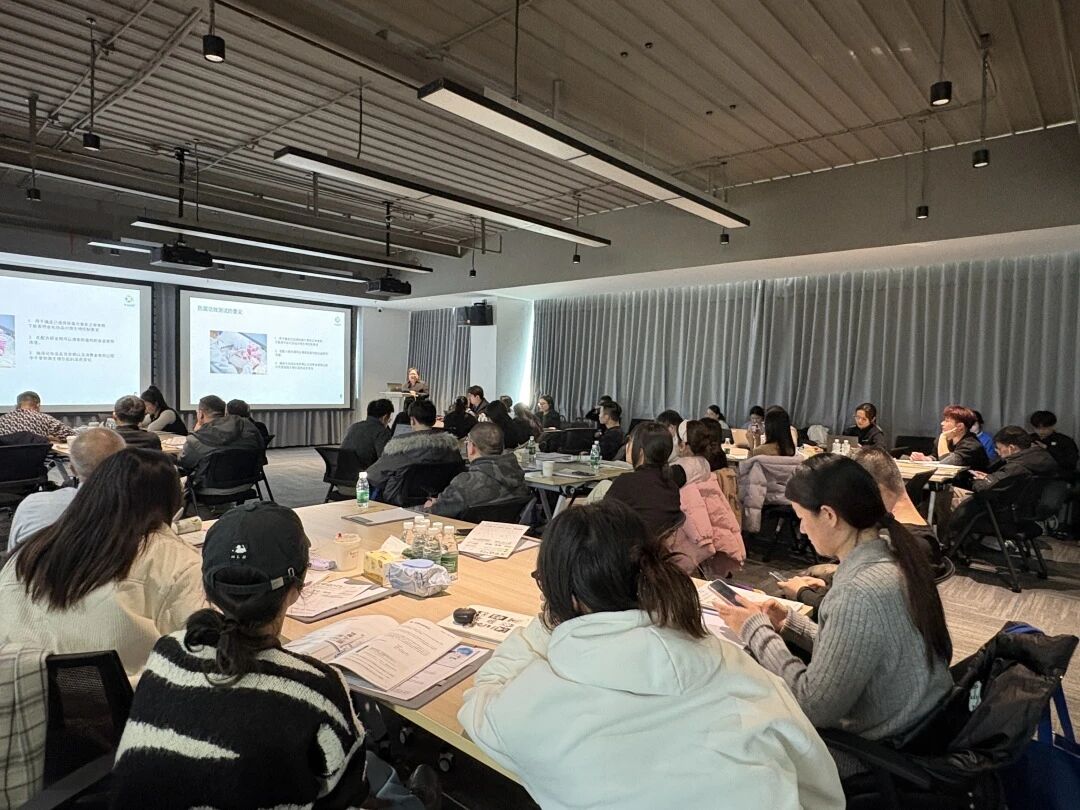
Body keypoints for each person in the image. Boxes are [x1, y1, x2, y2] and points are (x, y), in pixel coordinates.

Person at [458, 501, 845, 810]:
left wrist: (547, 623)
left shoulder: (533, 703)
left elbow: (479, 702)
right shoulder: (737, 666)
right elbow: (821, 790)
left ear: (568, 598)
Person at [110, 502, 433, 810]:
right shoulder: (318, 688)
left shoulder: (168, 651)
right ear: (297, 588)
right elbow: (348, 798)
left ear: (207, 586)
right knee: (385, 784)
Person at [715, 455, 953, 777]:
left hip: (876, 753)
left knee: (734, 730)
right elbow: (855, 650)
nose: (801, 529)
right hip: (915, 729)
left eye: (802, 518)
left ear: (828, 515)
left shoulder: (858, 590)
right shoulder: (890, 558)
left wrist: (756, 631)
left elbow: (813, 706)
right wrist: (790, 624)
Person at [0, 449, 204, 678]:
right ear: (172, 501)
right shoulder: (174, 561)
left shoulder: (31, 550)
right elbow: (203, 650)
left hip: (22, 692)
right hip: (129, 696)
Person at [780, 446, 947, 615]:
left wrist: (803, 593)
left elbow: (857, 606)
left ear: (870, 489)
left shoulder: (892, 546)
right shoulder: (905, 535)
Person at [6, 428, 125, 550]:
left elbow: (12, 555)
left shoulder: (31, 506)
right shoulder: (132, 514)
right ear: (124, 466)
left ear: (73, 469)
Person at [365, 399, 463, 505]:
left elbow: (374, 475)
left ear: (412, 420)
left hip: (401, 500)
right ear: (434, 420)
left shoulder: (400, 447)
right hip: (439, 500)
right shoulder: (452, 447)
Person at [426, 423, 530, 519]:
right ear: (502, 447)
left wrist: (432, 506)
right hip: (508, 531)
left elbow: (435, 514)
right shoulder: (519, 477)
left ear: (471, 447)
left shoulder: (464, 483)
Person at [603, 421, 683, 538]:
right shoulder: (672, 485)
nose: (627, 446)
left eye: (630, 441)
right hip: (657, 546)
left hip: (630, 545)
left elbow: (601, 519)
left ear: (641, 452)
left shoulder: (626, 482)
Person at [177, 395, 265, 487]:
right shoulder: (249, 428)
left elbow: (185, 463)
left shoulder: (196, 439)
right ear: (224, 412)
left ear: (201, 414)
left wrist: (197, 432)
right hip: (246, 484)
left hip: (209, 489)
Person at [968, 426, 1058, 495]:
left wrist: (978, 480)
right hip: (1029, 504)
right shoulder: (1041, 454)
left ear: (1011, 448)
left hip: (1007, 506)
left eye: (999, 448)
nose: (998, 452)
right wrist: (990, 478)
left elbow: (983, 488)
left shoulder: (1017, 467)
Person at [911, 405, 990, 471]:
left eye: (947, 421)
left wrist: (943, 437)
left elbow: (946, 464)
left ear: (960, 426)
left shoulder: (971, 445)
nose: (942, 423)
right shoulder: (945, 439)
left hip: (968, 483)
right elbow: (936, 456)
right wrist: (926, 459)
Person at [340, 398, 394, 470]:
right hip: (365, 473)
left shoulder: (354, 426)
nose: (389, 421)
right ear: (385, 417)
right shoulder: (382, 432)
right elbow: (385, 460)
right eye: (389, 419)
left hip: (343, 471)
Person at [0, 391, 74, 441]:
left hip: (5, 459)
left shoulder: (2, 420)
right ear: (38, 405)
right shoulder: (45, 419)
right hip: (34, 459)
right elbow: (70, 436)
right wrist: (49, 438)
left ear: (17, 406)